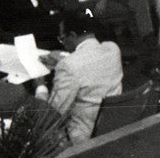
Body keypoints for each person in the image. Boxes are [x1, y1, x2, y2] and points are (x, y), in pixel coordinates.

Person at [47, 10, 124, 143]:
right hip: (112, 127)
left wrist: (40, 86)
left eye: (62, 38)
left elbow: (52, 115)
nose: (63, 43)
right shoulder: (113, 49)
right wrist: (65, 59)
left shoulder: (68, 66)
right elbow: (92, 66)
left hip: (82, 138)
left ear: (72, 35)